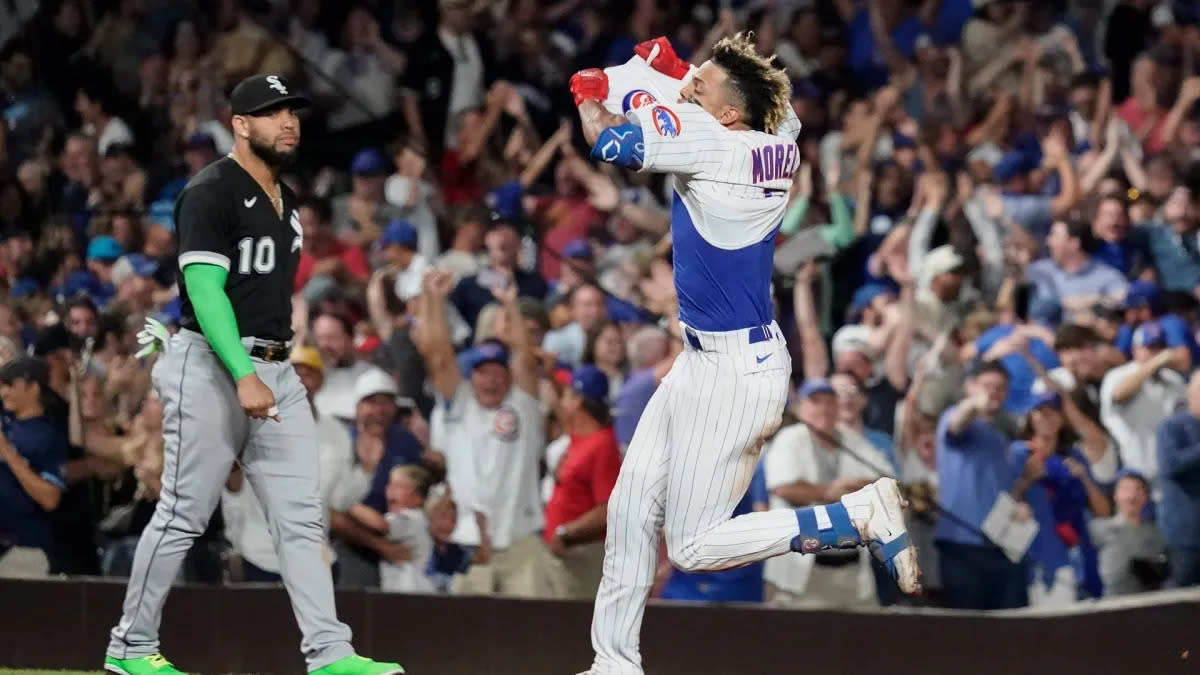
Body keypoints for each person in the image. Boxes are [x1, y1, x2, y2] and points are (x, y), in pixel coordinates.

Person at [570, 35, 918, 675]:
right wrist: (679, 73)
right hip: (713, 360)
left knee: (695, 546)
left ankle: (851, 515)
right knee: (628, 506)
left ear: (728, 113)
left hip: (731, 372)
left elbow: (609, 140)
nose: (688, 89)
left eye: (699, 87)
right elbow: (743, 106)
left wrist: (592, 90)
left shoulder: (713, 143)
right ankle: (613, 664)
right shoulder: (775, 138)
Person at [104, 75, 402, 675]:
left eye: (292, 112)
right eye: (271, 113)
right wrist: (242, 371)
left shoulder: (286, 200)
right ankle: (130, 647)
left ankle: (330, 653)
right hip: (215, 362)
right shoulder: (210, 190)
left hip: (277, 366)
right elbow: (204, 290)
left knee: (301, 518)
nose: (287, 122)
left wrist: (266, 367)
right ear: (240, 124)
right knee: (184, 511)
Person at [543, 365, 622, 600]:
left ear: (578, 401)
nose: (562, 398)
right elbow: (560, 410)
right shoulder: (579, 438)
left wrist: (566, 532)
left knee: (575, 629)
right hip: (566, 554)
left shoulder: (602, 445)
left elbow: (608, 508)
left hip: (583, 555)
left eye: (567, 393)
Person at [0, 357, 68, 579]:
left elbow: (50, 498)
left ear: (33, 388)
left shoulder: (48, 435)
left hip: (24, 551)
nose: (4, 392)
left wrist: (9, 454)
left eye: (10, 385)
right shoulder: (7, 421)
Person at [1154, 369, 1200, 588]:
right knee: (1180, 601)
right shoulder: (1171, 427)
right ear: (1191, 394)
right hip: (1187, 533)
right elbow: (1170, 465)